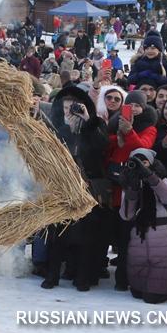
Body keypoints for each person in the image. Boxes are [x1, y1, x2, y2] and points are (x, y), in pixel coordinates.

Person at [40, 85, 108, 291]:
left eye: (75, 105)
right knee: (57, 234)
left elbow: (102, 147)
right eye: (67, 104)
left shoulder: (95, 124)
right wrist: (66, 129)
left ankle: (82, 277)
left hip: (88, 188)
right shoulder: (55, 125)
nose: (71, 108)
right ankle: (52, 276)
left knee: (87, 236)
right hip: (62, 188)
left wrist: (88, 122)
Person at [106, 90, 158, 290]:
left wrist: (128, 131)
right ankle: (113, 273)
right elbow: (107, 145)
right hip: (114, 185)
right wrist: (116, 139)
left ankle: (124, 278)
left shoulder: (149, 127)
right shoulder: (115, 122)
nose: (134, 109)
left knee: (128, 234)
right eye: (130, 105)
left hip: (132, 188)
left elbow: (143, 148)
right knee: (115, 231)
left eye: (137, 106)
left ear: (144, 108)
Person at [117, 148, 167, 303]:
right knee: (137, 293)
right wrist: (132, 190)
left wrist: (151, 178)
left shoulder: (162, 181)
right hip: (139, 240)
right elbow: (126, 215)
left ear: (152, 163)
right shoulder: (130, 185)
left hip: (163, 240)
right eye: (136, 162)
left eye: (144, 162)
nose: (140, 166)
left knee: (152, 298)